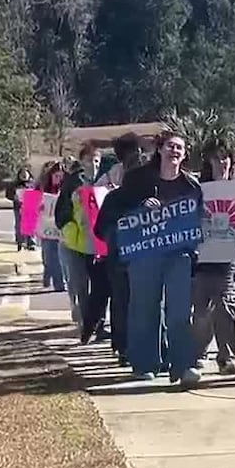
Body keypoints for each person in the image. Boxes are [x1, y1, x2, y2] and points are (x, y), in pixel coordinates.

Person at [104, 130, 203, 386]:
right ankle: (145, 364)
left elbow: (197, 220)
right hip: (143, 254)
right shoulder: (137, 179)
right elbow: (117, 210)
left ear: (185, 153)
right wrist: (140, 208)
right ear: (160, 149)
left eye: (179, 148)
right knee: (144, 309)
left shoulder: (191, 186)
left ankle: (182, 366)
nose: (174, 151)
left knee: (179, 312)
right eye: (170, 146)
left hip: (178, 256)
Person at [190, 139, 235, 375]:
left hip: (229, 260)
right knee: (201, 312)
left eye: (225, 158)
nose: (221, 163)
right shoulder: (197, 189)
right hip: (203, 261)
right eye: (216, 158)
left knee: (226, 308)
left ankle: (226, 357)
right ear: (208, 162)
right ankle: (198, 354)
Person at [90, 134, 145, 366]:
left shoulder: (115, 197)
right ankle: (131, 347)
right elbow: (100, 229)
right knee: (135, 303)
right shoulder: (145, 197)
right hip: (129, 259)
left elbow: (99, 230)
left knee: (123, 303)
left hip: (121, 258)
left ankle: (124, 347)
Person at [54, 145, 109, 340]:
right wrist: (71, 231)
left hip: (97, 243)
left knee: (101, 287)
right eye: (89, 161)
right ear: (81, 162)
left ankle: (98, 324)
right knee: (80, 285)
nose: (93, 165)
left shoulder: (104, 183)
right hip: (75, 243)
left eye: (96, 161)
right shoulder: (72, 183)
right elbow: (61, 212)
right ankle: (85, 323)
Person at [37, 162, 66, 292]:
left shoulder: (66, 189)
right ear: (50, 176)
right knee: (48, 256)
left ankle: (59, 284)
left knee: (58, 257)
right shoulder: (41, 188)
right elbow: (29, 209)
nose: (58, 180)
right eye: (56, 176)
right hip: (45, 227)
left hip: (60, 227)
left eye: (61, 177)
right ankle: (47, 272)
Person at [6, 167, 38, 251]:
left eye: (26, 173)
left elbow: (38, 194)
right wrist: (14, 197)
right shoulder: (15, 185)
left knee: (30, 225)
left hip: (30, 206)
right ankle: (20, 242)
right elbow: (8, 194)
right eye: (22, 173)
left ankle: (30, 243)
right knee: (19, 225)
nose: (24, 175)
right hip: (18, 206)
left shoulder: (33, 184)